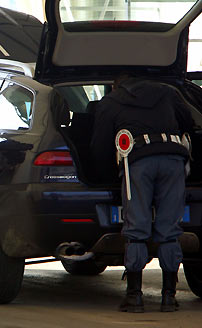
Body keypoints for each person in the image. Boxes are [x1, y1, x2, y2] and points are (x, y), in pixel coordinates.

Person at [90, 73, 194, 313]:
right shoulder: (168, 92)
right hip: (173, 159)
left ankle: (134, 297)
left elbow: (100, 144)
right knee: (170, 229)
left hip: (138, 162)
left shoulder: (112, 101)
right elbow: (188, 122)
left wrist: (104, 175)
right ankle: (169, 297)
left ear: (116, 85)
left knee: (136, 228)